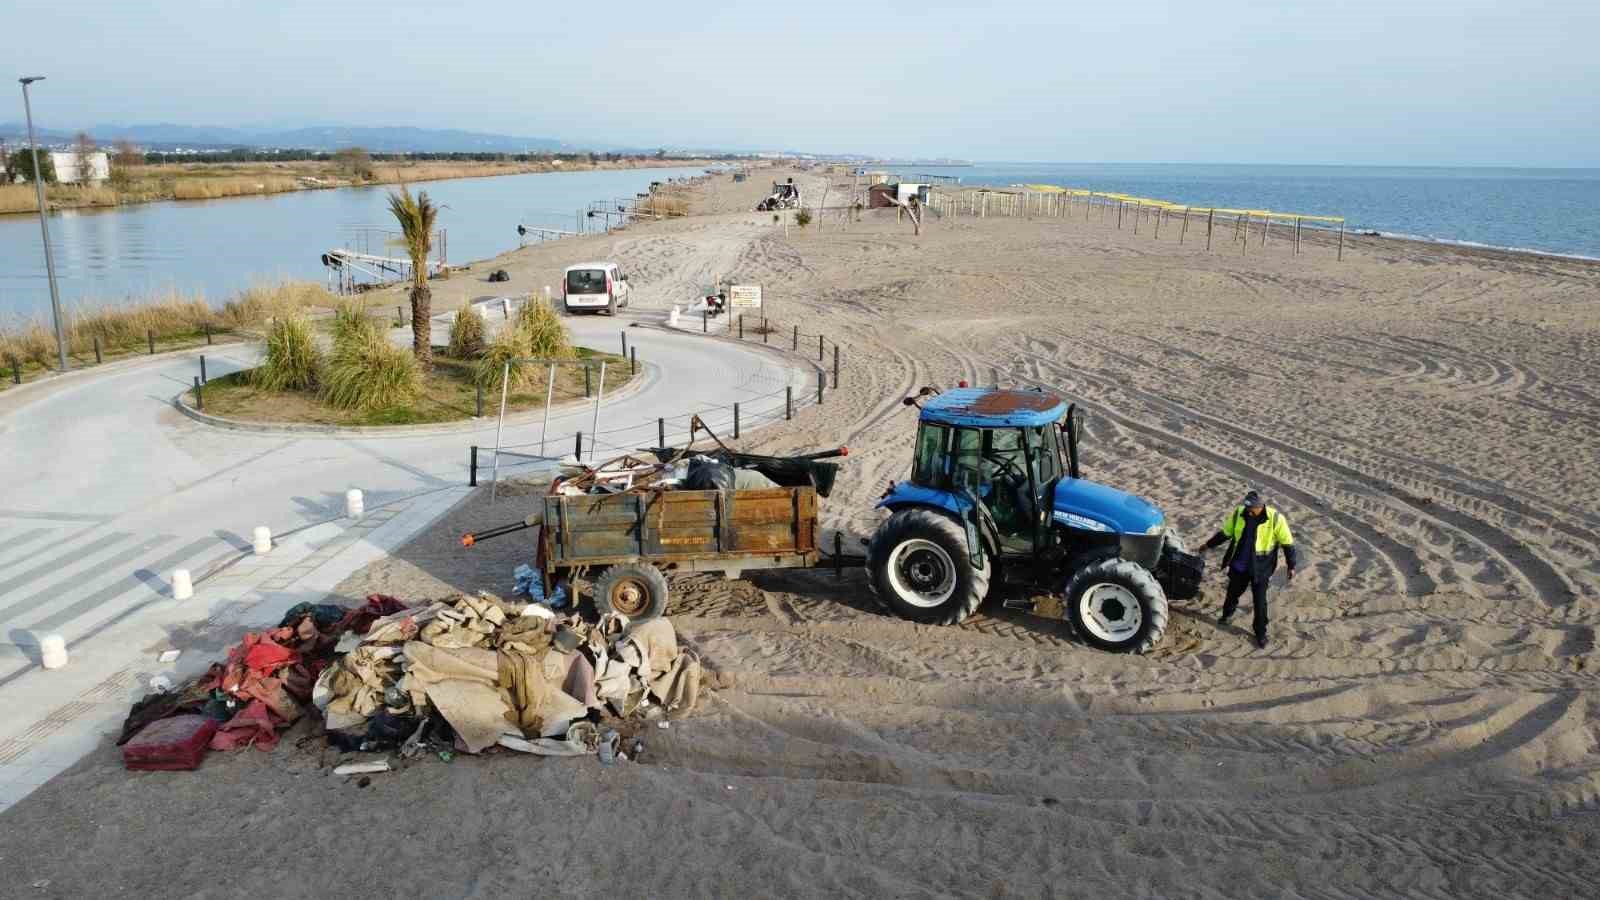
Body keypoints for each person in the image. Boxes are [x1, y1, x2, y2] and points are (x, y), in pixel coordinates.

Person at [1199, 490, 1297, 649]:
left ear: (1261, 507)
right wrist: (1208, 544)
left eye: (1252, 509)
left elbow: (1287, 543)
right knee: (1233, 592)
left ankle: (1260, 632)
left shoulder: (1276, 519)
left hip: (1261, 567)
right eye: (1247, 508)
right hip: (1239, 564)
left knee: (1260, 601)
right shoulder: (1239, 513)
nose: (1249, 511)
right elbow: (1226, 533)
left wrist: (1291, 565)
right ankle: (1227, 615)